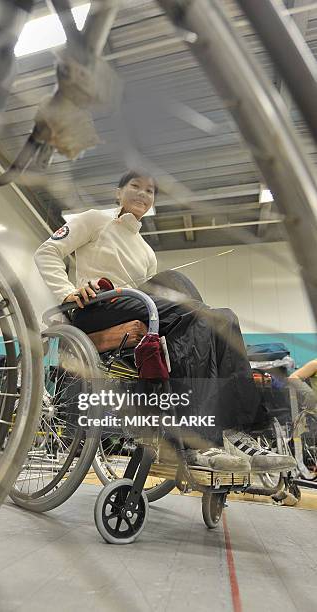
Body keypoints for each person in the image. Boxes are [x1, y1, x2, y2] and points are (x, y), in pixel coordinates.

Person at [35, 169, 296, 472]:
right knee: (183, 293)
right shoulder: (95, 220)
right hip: (96, 307)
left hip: (138, 307)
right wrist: (67, 292)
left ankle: (239, 432)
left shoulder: (146, 252)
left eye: (150, 191)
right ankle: (196, 442)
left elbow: (155, 309)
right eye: (135, 186)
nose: (143, 194)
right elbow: (47, 252)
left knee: (223, 319)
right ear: (118, 193)